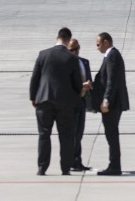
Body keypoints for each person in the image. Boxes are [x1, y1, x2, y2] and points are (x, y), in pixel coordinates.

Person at [29, 27, 82, 176]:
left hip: (43, 100)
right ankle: (65, 168)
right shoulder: (71, 58)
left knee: (44, 134)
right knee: (66, 136)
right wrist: (75, 98)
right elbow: (77, 83)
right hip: (64, 102)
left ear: (57, 37)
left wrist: (33, 97)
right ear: (68, 39)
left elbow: (35, 78)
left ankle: (42, 167)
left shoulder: (43, 54)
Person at [93, 32, 130, 176]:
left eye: (98, 44)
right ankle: (114, 165)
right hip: (113, 102)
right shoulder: (111, 55)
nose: (97, 47)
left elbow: (111, 80)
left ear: (106, 42)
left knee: (111, 134)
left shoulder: (112, 55)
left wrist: (106, 99)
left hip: (112, 104)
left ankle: (114, 166)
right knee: (111, 134)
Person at [68, 38, 93, 172]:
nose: (75, 52)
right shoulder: (65, 64)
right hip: (71, 103)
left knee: (79, 133)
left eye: (77, 49)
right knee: (72, 134)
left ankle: (77, 161)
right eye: (72, 50)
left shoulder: (84, 62)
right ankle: (71, 161)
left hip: (82, 101)